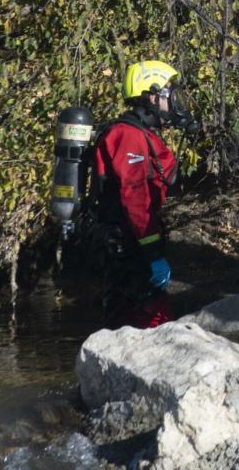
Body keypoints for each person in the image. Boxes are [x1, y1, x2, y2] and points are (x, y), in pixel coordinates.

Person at [92, 60, 198, 329]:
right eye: (168, 96)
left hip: (132, 240)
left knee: (131, 314)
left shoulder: (140, 134)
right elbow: (135, 195)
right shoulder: (128, 136)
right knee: (147, 316)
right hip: (127, 243)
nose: (174, 103)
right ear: (151, 96)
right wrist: (152, 253)